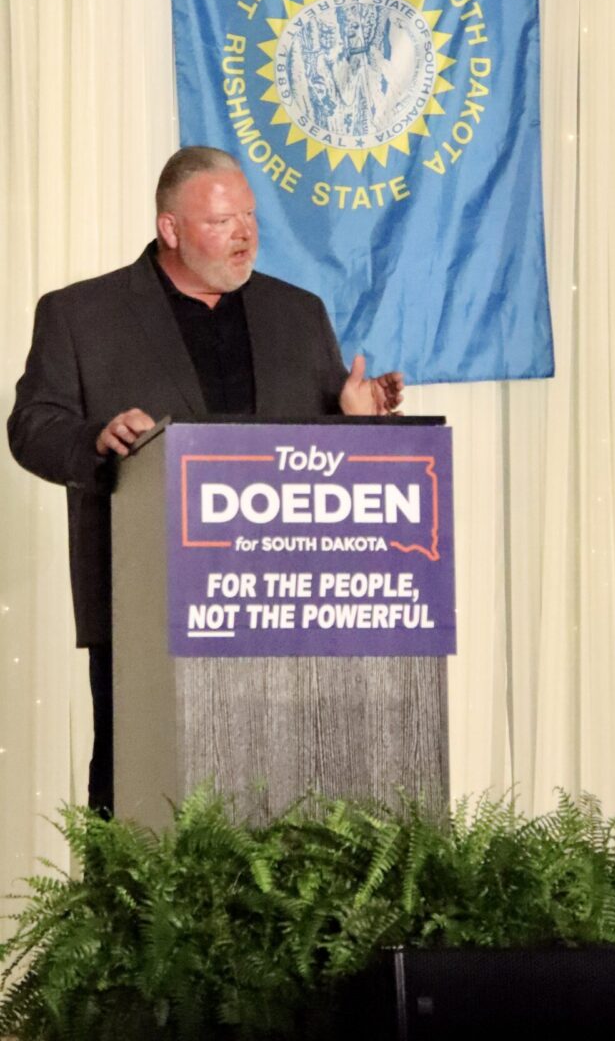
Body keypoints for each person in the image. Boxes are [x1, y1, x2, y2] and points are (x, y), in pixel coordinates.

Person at [7, 146, 404, 815]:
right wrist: (95, 439)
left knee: (285, 795)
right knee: (143, 800)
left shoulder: (297, 312)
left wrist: (353, 422)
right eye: (222, 222)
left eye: (249, 217)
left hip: (284, 607)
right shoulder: (82, 314)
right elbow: (32, 427)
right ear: (170, 228)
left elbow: (314, 459)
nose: (245, 235)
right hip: (146, 606)